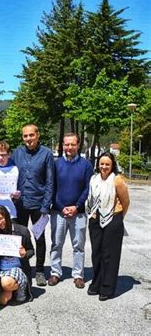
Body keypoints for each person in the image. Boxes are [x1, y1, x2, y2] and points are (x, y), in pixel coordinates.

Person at [48, 133, 93, 288]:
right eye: (67, 144)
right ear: (62, 144)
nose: (69, 147)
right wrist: (61, 207)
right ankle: (55, 273)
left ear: (78, 145)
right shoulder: (56, 164)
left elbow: (88, 188)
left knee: (78, 246)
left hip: (78, 213)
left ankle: (78, 275)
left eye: (73, 144)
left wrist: (77, 206)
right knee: (56, 244)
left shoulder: (86, 165)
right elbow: (51, 188)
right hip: (58, 212)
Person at [12, 124, 54, 286]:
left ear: (37, 135)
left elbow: (50, 181)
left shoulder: (46, 154)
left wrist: (46, 205)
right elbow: (5, 167)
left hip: (38, 203)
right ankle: (23, 267)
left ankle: (40, 270)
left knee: (39, 237)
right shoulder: (17, 153)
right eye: (25, 136)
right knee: (20, 237)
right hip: (20, 203)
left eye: (31, 135)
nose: (28, 138)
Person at [86, 152, 130, 301]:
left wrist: (118, 217)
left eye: (107, 164)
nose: (104, 167)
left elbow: (125, 201)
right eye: (102, 163)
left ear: (112, 166)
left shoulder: (117, 180)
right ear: (98, 164)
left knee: (109, 255)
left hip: (113, 219)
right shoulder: (94, 179)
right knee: (97, 253)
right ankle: (97, 283)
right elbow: (91, 198)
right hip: (95, 219)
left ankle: (107, 287)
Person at [0, 205, 34, 304]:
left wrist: (24, 254)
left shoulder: (22, 230)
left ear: (7, 216)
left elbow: (31, 250)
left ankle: (21, 287)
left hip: (17, 268)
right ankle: (11, 290)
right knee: (2, 301)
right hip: (0, 269)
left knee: (6, 283)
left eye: (1, 218)